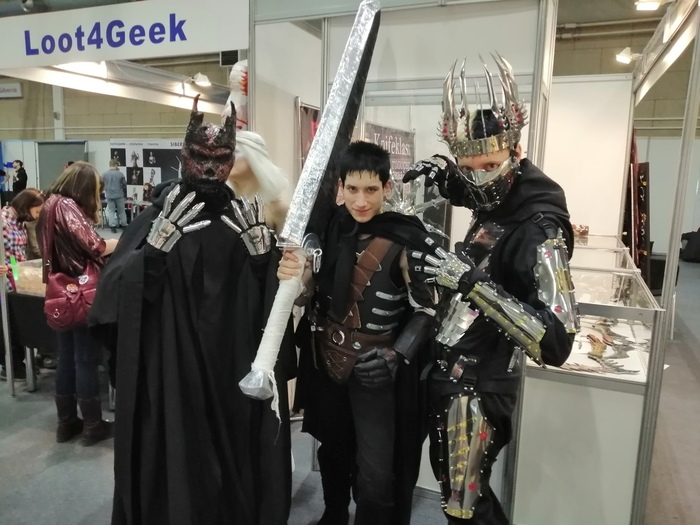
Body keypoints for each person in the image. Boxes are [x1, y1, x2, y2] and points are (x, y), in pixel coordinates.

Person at [89, 99, 295, 524]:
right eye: (200, 158)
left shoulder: (244, 219)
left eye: (220, 160)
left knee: (234, 459)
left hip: (231, 368)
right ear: (184, 156)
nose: (209, 169)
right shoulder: (155, 218)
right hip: (171, 373)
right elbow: (111, 299)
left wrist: (264, 266)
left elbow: (270, 311)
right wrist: (150, 257)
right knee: (177, 461)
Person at [402, 56, 578, 525]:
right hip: (450, 368)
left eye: (491, 166)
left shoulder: (540, 229)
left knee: (466, 506)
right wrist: (443, 175)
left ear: (516, 155)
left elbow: (556, 341)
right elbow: (474, 189)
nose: (479, 177)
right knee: (456, 496)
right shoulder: (498, 194)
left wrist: (470, 283)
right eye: (468, 167)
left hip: (479, 386)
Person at [279, 141, 435, 525]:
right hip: (327, 362)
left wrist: (396, 354)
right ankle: (333, 515)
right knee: (332, 450)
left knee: (376, 472)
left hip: (375, 371)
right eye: (352, 189)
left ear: (386, 187)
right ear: (341, 187)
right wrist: (297, 279)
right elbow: (310, 294)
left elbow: (428, 308)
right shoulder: (328, 229)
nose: (361, 200)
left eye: (370, 189)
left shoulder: (406, 237)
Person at [37, 162, 118, 445]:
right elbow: (95, 246)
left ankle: (67, 423)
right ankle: (92, 426)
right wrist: (118, 243)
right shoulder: (67, 206)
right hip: (81, 295)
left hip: (60, 294)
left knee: (67, 359)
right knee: (85, 360)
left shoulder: (49, 205)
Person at [0, 188, 45, 382]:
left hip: (17, 276)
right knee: (7, 323)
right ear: (27, 206)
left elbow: (18, 252)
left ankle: (18, 361)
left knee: (18, 320)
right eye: (36, 211)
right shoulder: (3, 221)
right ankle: (9, 364)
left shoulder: (19, 222)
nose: (37, 216)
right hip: (5, 279)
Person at [226, 130, 288, 232]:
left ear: (253, 157)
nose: (226, 160)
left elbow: (291, 242)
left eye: (235, 152)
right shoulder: (223, 205)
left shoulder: (277, 208)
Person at [102, 159, 128, 233]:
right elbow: (124, 185)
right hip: (119, 195)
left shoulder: (104, 174)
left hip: (109, 195)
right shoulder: (120, 174)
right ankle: (124, 225)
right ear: (116, 165)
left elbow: (101, 184)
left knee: (111, 211)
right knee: (122, 211)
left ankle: (112, 226)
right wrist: (125, 195)